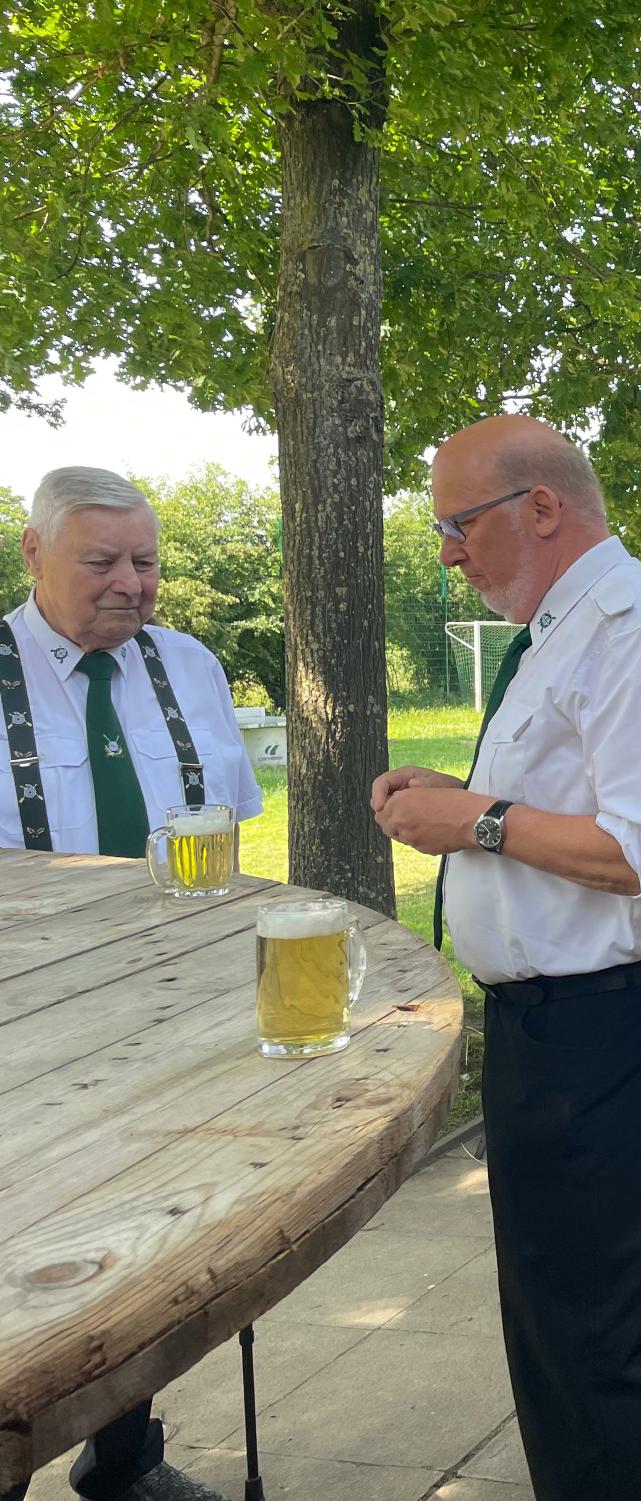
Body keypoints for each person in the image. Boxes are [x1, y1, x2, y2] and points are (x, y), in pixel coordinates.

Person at [372, 415, 641, 1501]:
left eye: (458, 524)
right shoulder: (567, 627)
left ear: (540, 507)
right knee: (560, 1331)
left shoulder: (632, 627)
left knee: (586, 1344)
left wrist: (476, 819)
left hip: (606, 1029)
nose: (448, 552)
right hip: (564, 1030)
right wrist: (467, 801)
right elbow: (573, 806)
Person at [0, 467, 261, 1501]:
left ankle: (123, 1456)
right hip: (21, 1029)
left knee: (150, 1240)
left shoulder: (190, 665)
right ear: (33, 553)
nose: (130, 583)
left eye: (145, 561)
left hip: (169, 1017)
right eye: (101, 560)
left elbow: (228, 836)